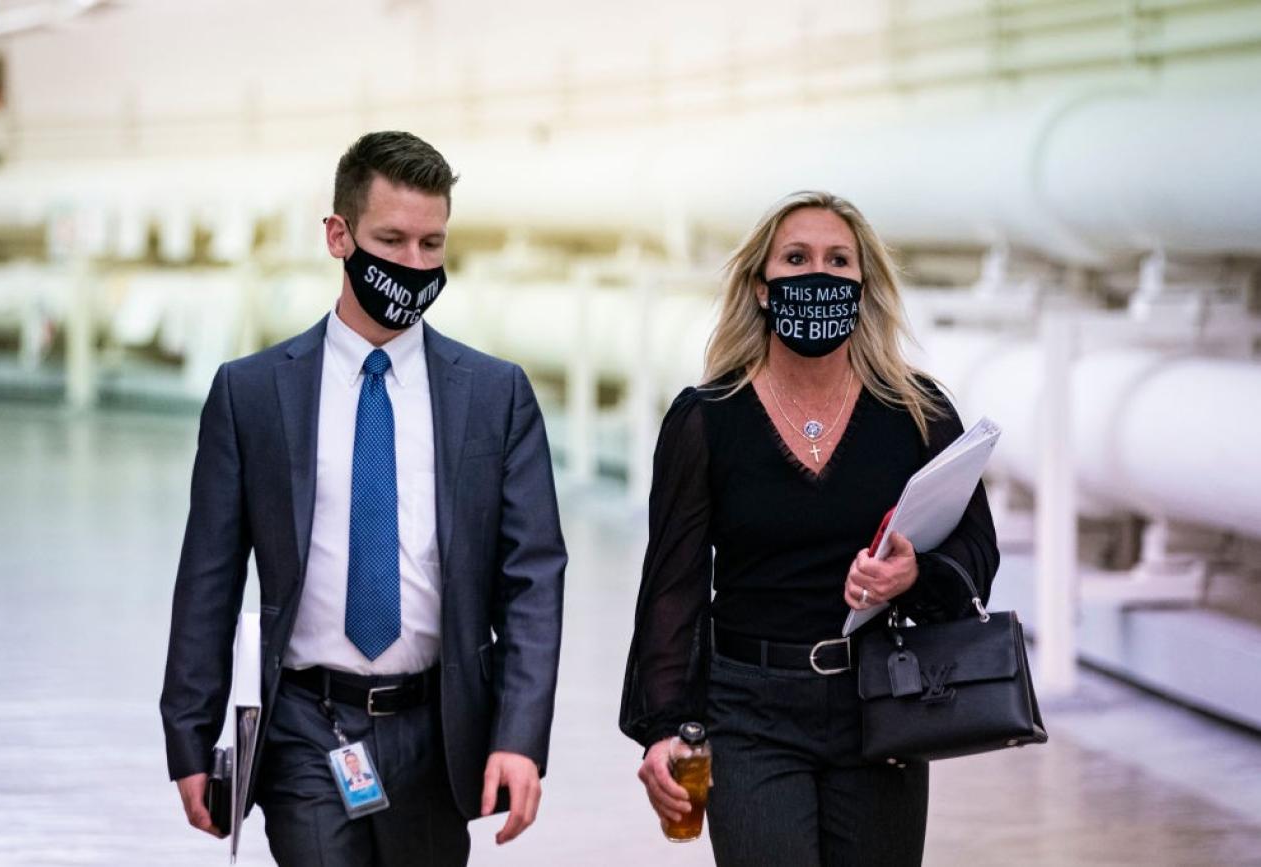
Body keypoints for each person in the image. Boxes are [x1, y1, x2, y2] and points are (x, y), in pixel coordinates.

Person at [160, 131, 567, 866]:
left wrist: (519, 735)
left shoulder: (495, 396)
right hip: (305, 730)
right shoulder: (251, 394)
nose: (413, 263)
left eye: (431, 243)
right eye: (392, 239)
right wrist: (189, 738)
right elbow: (208, 578)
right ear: (339, 236)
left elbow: (533, 578)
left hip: (437, 731)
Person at [619, 190, 999, 866]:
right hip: (748, 714)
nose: (817, 274)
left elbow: (977, 548)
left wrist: (912, 574)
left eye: (837, 260)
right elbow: (672, 585)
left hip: (882, 698)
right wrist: (663, 727)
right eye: (795, 258)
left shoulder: (918, 411)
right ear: (762, 288)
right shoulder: (706, 419)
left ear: (862, 284)